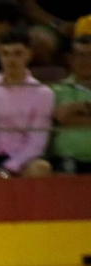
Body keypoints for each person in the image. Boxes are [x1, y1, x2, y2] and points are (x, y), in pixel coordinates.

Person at [0, 28, 54, 175]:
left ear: (29, 55)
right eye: (5, 54)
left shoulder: (42, 92)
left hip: (22, 159)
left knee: (41, 168)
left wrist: (9, 168)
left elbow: (37, 141)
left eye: (17, 54)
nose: (11, 60)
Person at [49, 29, 91, 172]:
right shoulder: (57, 89)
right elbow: (61, 117)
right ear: (70, 58)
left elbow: (67, 118)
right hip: (67, 161)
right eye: (80, 55)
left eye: (90, 55)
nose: (85, 61)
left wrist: (75, 112)